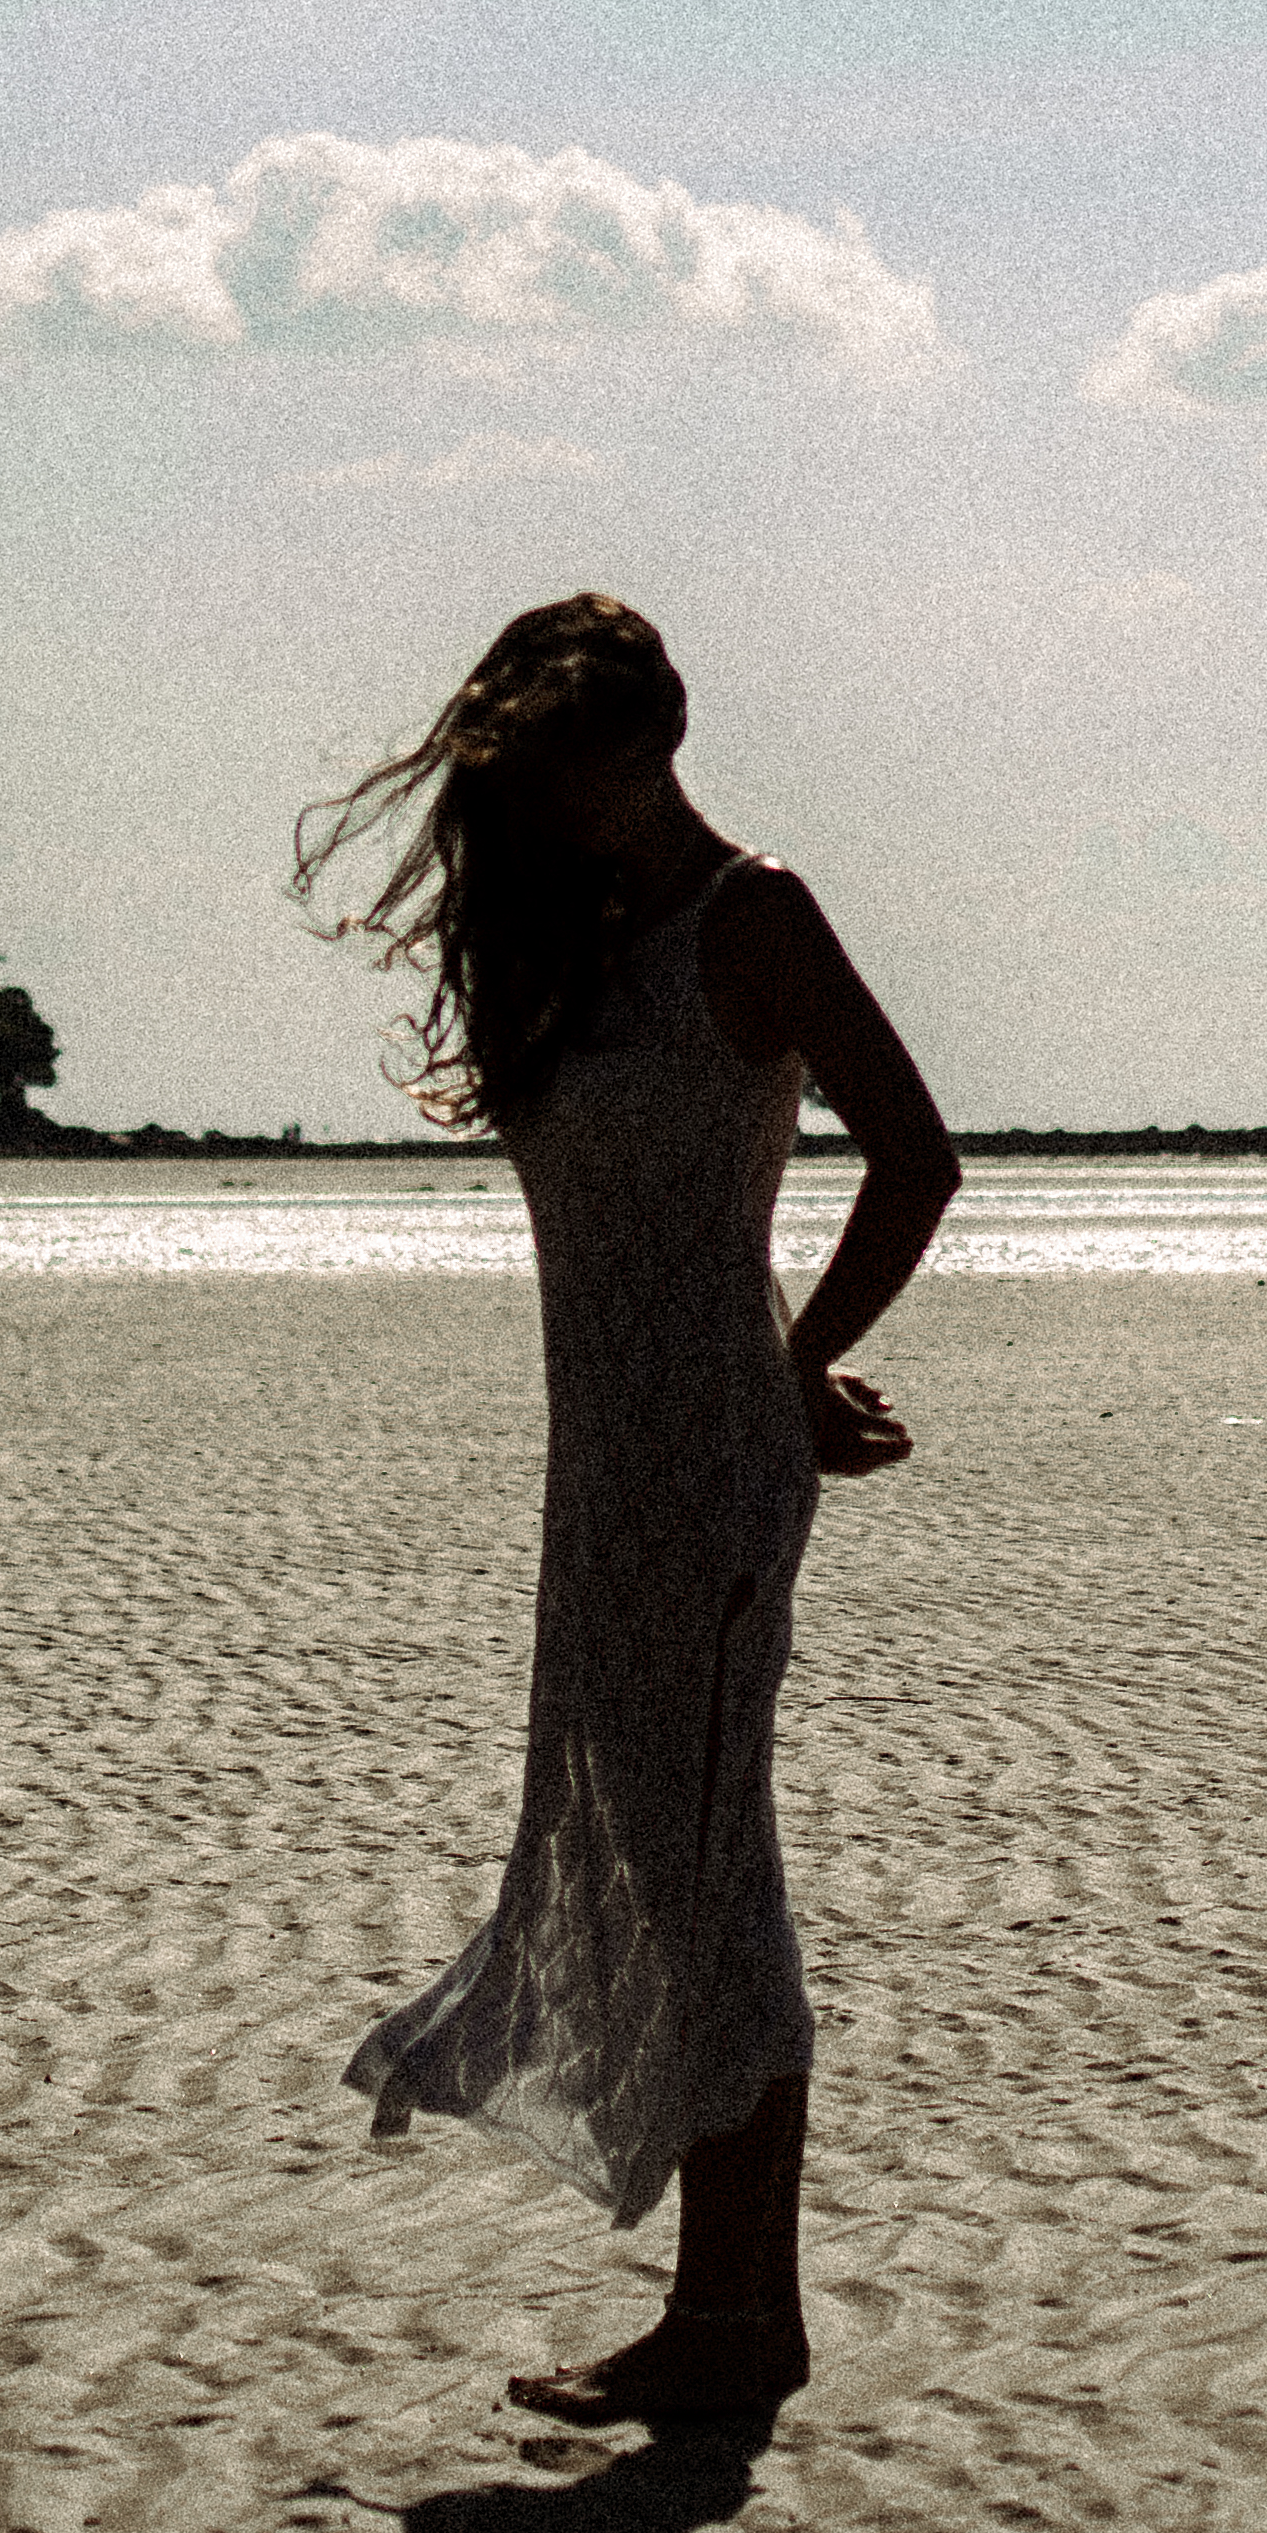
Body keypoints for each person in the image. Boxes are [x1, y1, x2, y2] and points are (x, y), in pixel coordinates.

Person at [297, 595, 959, 2427]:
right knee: (669, 1869)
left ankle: (741, 2319)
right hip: (601, 1474)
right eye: (518, 772)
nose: (538, 801)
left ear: (654, 742)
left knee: (711, 1872)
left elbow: (917, 1157)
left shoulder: (753, 915)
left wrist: (798, 1365)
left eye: (563, 764)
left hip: (715, 1471)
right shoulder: (566, 941)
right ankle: (726, 2312)